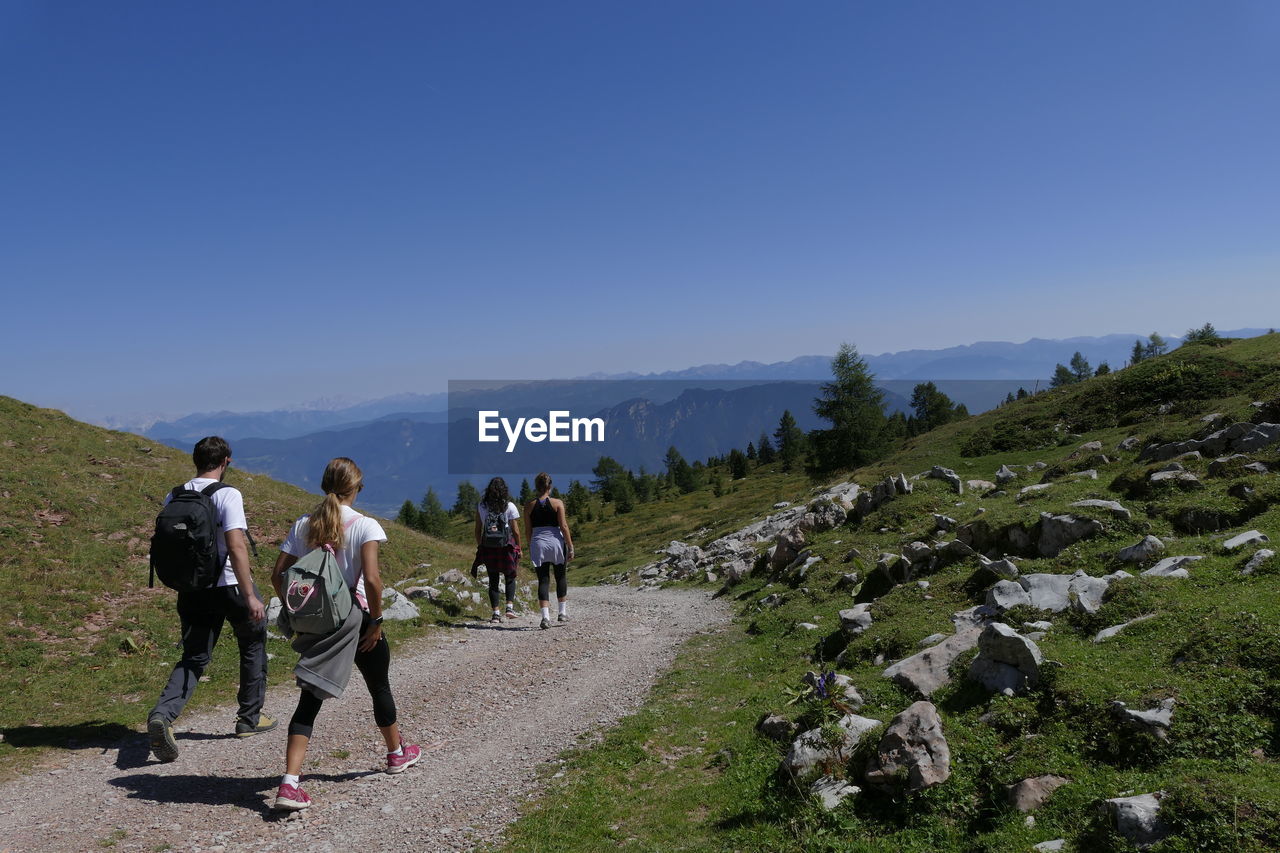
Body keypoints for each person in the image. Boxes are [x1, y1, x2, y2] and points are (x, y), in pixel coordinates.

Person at [269, 457, 421, 811]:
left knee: (310, 698)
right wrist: (377, 621)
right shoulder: (365, 525)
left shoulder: (304, 525)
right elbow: (371, 580)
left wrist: (298, 612)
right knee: (378, 684)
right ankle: (396, 753)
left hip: (321, 625)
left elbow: (278, 576)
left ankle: (290, 781)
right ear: (356, 488)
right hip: (360, 620)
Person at [147, 436, 275, 763]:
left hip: (192, 588)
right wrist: (250, 595)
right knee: (252, 642)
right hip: (229, 584)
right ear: (226, 461)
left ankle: (162, 715)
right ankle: (249, 718)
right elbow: (236, 546)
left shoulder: (174, 494)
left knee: (194, 656)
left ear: (195, 460)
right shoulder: (227, 494)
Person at [523, 473, 574, 630]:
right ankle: (562, 613)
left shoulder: (529, 505)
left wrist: (530, 545)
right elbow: (563, 526)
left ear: (536, 486)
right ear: (549, 486)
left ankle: (545, 617)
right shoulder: (558, 503)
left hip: (538, 543)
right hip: (556, 543)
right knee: (560, 576)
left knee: (543, 580)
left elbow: (527, 529)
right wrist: (570, 546)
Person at [474, 477, 522, 624]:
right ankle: (509, 608)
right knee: (510, 576)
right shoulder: (509, 506)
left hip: (488, 547)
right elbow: (516, 531)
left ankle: (495, 614)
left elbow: (477, 529)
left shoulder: (481, 506)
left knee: (493, 580)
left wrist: (480, 546)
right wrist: (518, 547)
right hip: (506, 547)